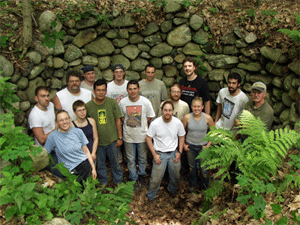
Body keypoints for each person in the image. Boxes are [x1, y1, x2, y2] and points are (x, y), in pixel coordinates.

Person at [86, 79, 123, 185]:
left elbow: (118, 120)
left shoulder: (112, 102)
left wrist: (120, 138)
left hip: (112, 140)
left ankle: (118, 181)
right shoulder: (88, 106)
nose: (101, 92)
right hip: (97, 142)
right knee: (100, 164)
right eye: (98, 90)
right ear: (94, 91)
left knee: (115, 162)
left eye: (103, 90)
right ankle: (103, 183)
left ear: (106, 91)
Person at [119, 80, 155, 189]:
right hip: (128, 136)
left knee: (142, 158)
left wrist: (141, 126)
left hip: (142, 136)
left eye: (135, 89)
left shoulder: (145, 102)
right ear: (127, 90)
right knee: (130, 159)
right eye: (130, 89)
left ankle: (142, 175)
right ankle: (133, 178)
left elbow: (149, 117)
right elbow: (122, 118)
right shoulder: (123, 102)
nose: (132, 91)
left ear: (139, 89)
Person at [146, 101, 186, 200]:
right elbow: (148, 138)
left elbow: (181, 136)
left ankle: (172, 192)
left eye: (170, 110)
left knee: (176, 177)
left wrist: (180, 152)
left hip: (174, 154)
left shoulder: (177, 123)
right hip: (160, 154)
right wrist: (154, 155)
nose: (167, 112)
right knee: (155, 179)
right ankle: (151, 196)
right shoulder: (155, 123)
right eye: (165, 110)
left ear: (173, 111)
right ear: (162, 111)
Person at [44, 110, 97, 184]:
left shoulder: (78, 131)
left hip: (85, 165)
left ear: (69, 119)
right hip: (70, 170)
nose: (64, 122)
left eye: (66, 119)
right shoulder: (52, 137)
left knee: (86, 190)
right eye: (61, 120)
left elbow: (86, 151)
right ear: (57, 122)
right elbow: (45, 153)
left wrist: (93, 168)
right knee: (76, 191)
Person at [182, 97, 214, 191]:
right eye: (195, 106)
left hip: (202, 146)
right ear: (191, 107)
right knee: (192, 167)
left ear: (203, 107)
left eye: (199, 106)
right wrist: (184, 144)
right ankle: (192, 185)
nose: (197, 109)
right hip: (190, 145)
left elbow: (213, 133)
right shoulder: (187, 117)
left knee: (204, 168)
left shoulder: (208, 118)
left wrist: (208, 145)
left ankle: (204, 187)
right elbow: (181, 132)